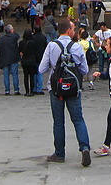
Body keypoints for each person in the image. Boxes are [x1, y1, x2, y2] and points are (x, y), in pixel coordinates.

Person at [38, 19, 92, 166]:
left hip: (56, 89)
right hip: (74, 88)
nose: (74, 31)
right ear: (68, 31)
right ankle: (84, 147)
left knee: (58, 122)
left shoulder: (51, 46)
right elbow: (85, 70)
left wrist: (54, 67)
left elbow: (41, 69)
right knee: (78, 119)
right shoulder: (77, 46)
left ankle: (59, 153)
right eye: (73, 29)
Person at [0, 24, 21, 95]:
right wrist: (13, 31)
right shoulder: (14, 37)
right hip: (13, 58)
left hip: (5, 59)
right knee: (15, 75)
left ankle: (7, 90)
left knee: (6, 75)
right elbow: (18, 36)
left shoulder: (2, 38)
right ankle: (16, 90)